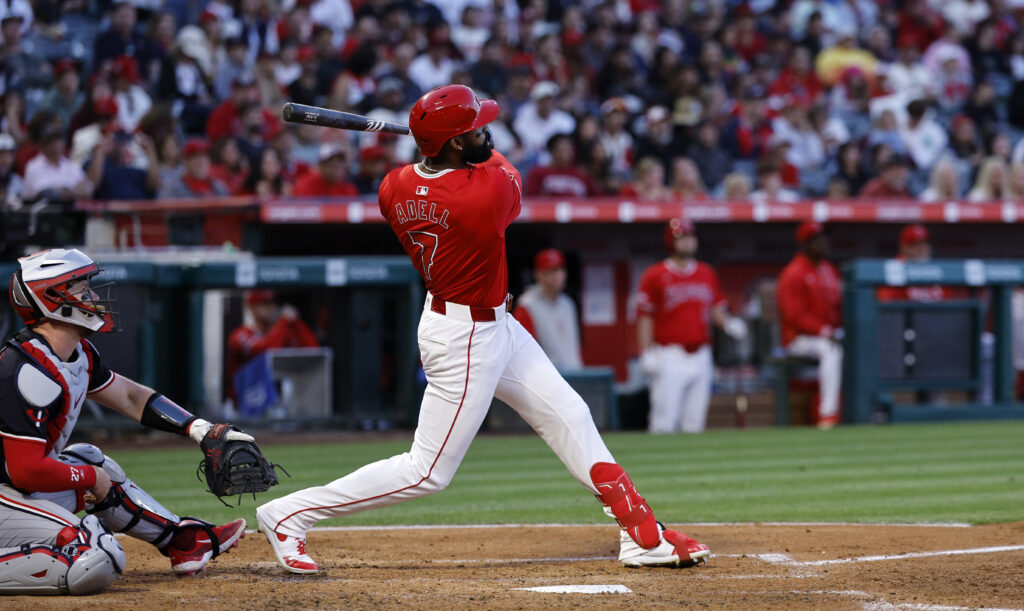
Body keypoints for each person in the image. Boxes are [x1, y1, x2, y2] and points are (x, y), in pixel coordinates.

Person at [255, 84, 710, 574]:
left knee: (570, 414)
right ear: (453, 144)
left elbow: (442, 168)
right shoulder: (485, 195)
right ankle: (289, 514)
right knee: (426, 472)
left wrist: (438, 142)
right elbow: (495, 163)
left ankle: (639, 530)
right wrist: (445, 143)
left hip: (488, 322)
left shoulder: (393, 186)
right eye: (474, 128)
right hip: (465, 339)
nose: (486, 131)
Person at [0, 249, 248, 595]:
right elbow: (25, 470)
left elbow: (131, 397)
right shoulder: (25, 369)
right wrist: (90, 478)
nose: (92, 297)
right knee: (97, 558)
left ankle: (182, 541)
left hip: (15, 493)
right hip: (7, 495)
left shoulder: (78, 354)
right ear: (51, 298)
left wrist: (198, 428)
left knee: (91, 459)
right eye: (80, 289)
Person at [636, 218, 747, 434]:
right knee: (664, 421)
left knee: (694, 422)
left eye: (690, 237)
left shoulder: (706, 272)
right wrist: (645, 351)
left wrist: (728, 323)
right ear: (671, 241)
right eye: (682, 238)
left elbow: (715, 307)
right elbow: (645, 316)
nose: (688, 242)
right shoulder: (655, 275)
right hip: (670, 354)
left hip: (701, 353)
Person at [777, 221, 843, 429]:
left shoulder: (828, 270)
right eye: (817, 239)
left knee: (854, 346)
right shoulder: (794, 272)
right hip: (798, 339)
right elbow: (793, 315)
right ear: (805, 244)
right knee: (830, 349)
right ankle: (828, 414)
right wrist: (824, 331)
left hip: (827, 334)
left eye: (825, 238)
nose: (824, 243)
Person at [226, 289, 319, 396]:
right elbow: (264, 352)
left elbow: (313, 350)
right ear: (251, 307)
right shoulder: (239, 335)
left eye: (272, 303)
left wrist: (296, 322)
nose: (270, 308)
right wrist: (284, 321)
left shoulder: (281, 333)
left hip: (274, 400)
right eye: (264, 304)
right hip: (244, 404)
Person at [512, 248, 583, 370]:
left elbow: (574, 348)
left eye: (561, 269)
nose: (558, 275)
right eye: (552, 271)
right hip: (548, 380)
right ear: (538, 274)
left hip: (574, 376)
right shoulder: (527, 305)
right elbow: (523, 353)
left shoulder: (568, 304)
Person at [877, 224, 962, 302]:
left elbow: (950, 302)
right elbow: (887, 307)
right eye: (914, 245)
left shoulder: (937, 270)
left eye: (923, 244)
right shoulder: (894, 270)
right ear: (903, 248)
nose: (920, 249)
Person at [292, 142, 358, 197]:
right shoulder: (305, 185)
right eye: (332, 165)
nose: (336, 169)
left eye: (340, 165)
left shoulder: (348, 188)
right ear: (321, 166)